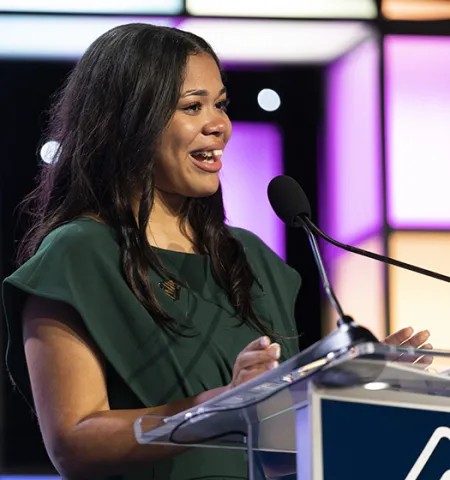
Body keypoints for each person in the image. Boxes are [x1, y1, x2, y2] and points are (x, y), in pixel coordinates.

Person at [2, 23, 432, 480]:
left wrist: (349, 390)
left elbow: (279, 451)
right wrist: (218, 407)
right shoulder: (76, 256)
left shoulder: (251, 259)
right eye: (193, 106)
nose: (219, 125)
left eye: (220, 104)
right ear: (128, 121)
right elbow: (74, 443)